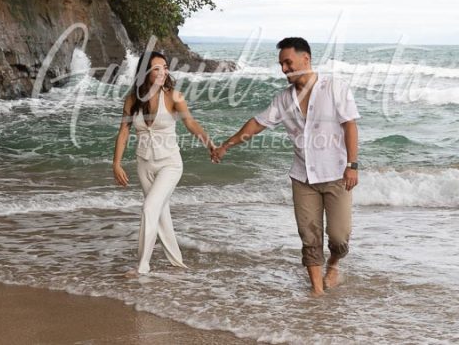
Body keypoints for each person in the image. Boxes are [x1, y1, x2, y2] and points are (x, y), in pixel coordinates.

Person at [212, 37, 360, 295]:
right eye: (281, 64)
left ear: (306, 59)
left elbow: (350, 125)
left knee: (339, 236)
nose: (284, 69)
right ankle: (317, 291)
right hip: (302, 178)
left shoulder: (334, 88)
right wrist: (227, 145)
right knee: (309, 237)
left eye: (288, 63)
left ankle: (334, 265)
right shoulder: (283, 99)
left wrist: (352, 165)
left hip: (336, 174)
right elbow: (257, 123)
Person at [111, 50, 216, 276]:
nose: (162, 72)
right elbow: (123, 132)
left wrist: (209, 144)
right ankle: (177, 262)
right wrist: (116, 164)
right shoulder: (132, 99)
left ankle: (142, 266)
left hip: (170, 164)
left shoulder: (173, 96)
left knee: (150, 208)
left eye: (165, 67)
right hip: (144, 164)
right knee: (160, 213)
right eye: (156, 68)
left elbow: (190, 123)